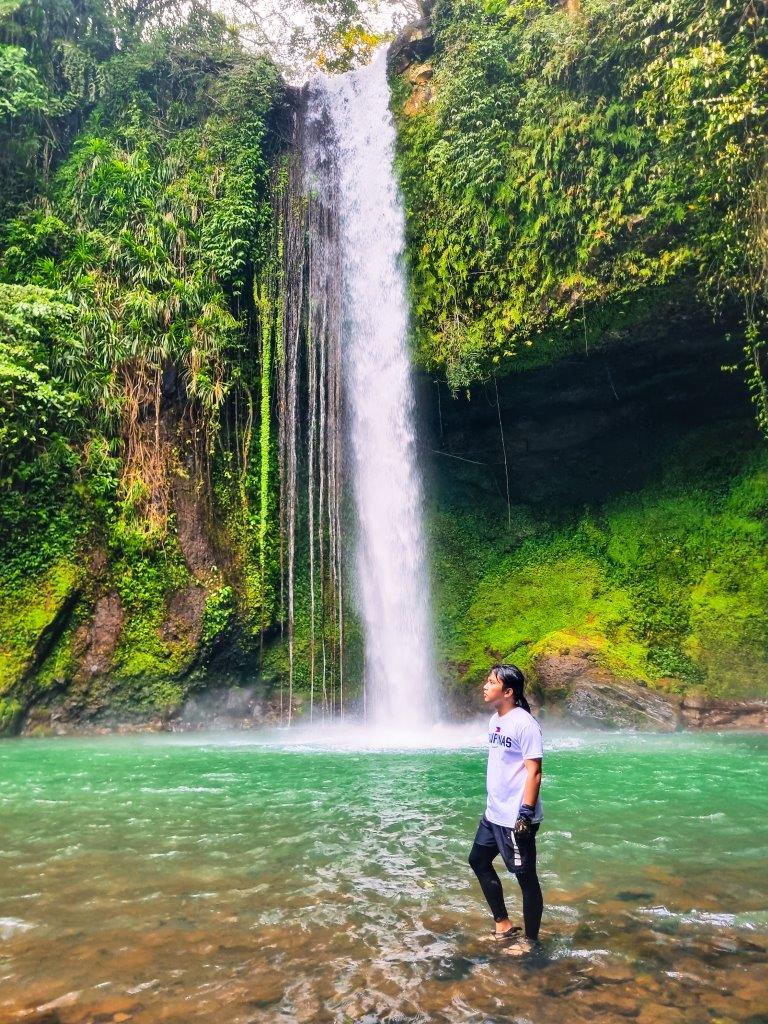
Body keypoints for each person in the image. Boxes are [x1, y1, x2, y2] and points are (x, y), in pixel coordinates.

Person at [468, 664, 544, 956]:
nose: (485, 686)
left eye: (491, 682)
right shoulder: (494, 720)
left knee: (526, 878)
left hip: (515, 817)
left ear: (508, 691)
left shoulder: (525, 724)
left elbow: (534, 771)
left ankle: (531, 942)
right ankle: (503, 924)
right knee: (478, 860)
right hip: (494, 814)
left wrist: (525, 813)